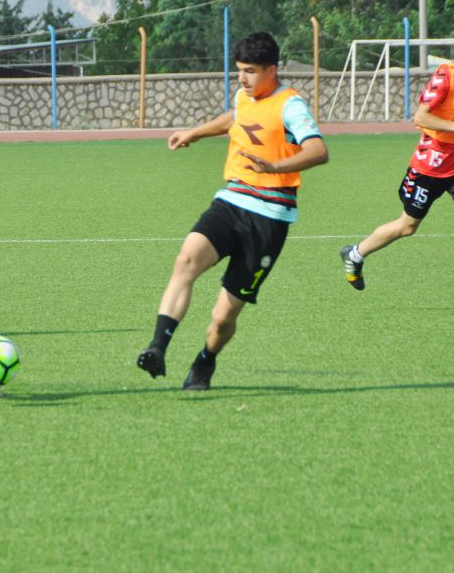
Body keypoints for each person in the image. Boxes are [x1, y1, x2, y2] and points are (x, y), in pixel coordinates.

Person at [137, 32, 328, 390]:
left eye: (251, 71)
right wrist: (195, 132)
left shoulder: (290, 106)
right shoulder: (244, 96)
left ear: (271, 70)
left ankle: (205, 360)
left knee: (223, 318)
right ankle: (157, 347)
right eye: (239, 70)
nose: (242, 78)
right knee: (186, 260)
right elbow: (235, 118)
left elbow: (319, 151)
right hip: (232, 201)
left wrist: (274, 167)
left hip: (270, 219)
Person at [340, 19, 454, 314]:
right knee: (407, 226)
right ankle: (355, 254)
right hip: (430, 162)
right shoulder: (447, 74)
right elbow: (420, 117)